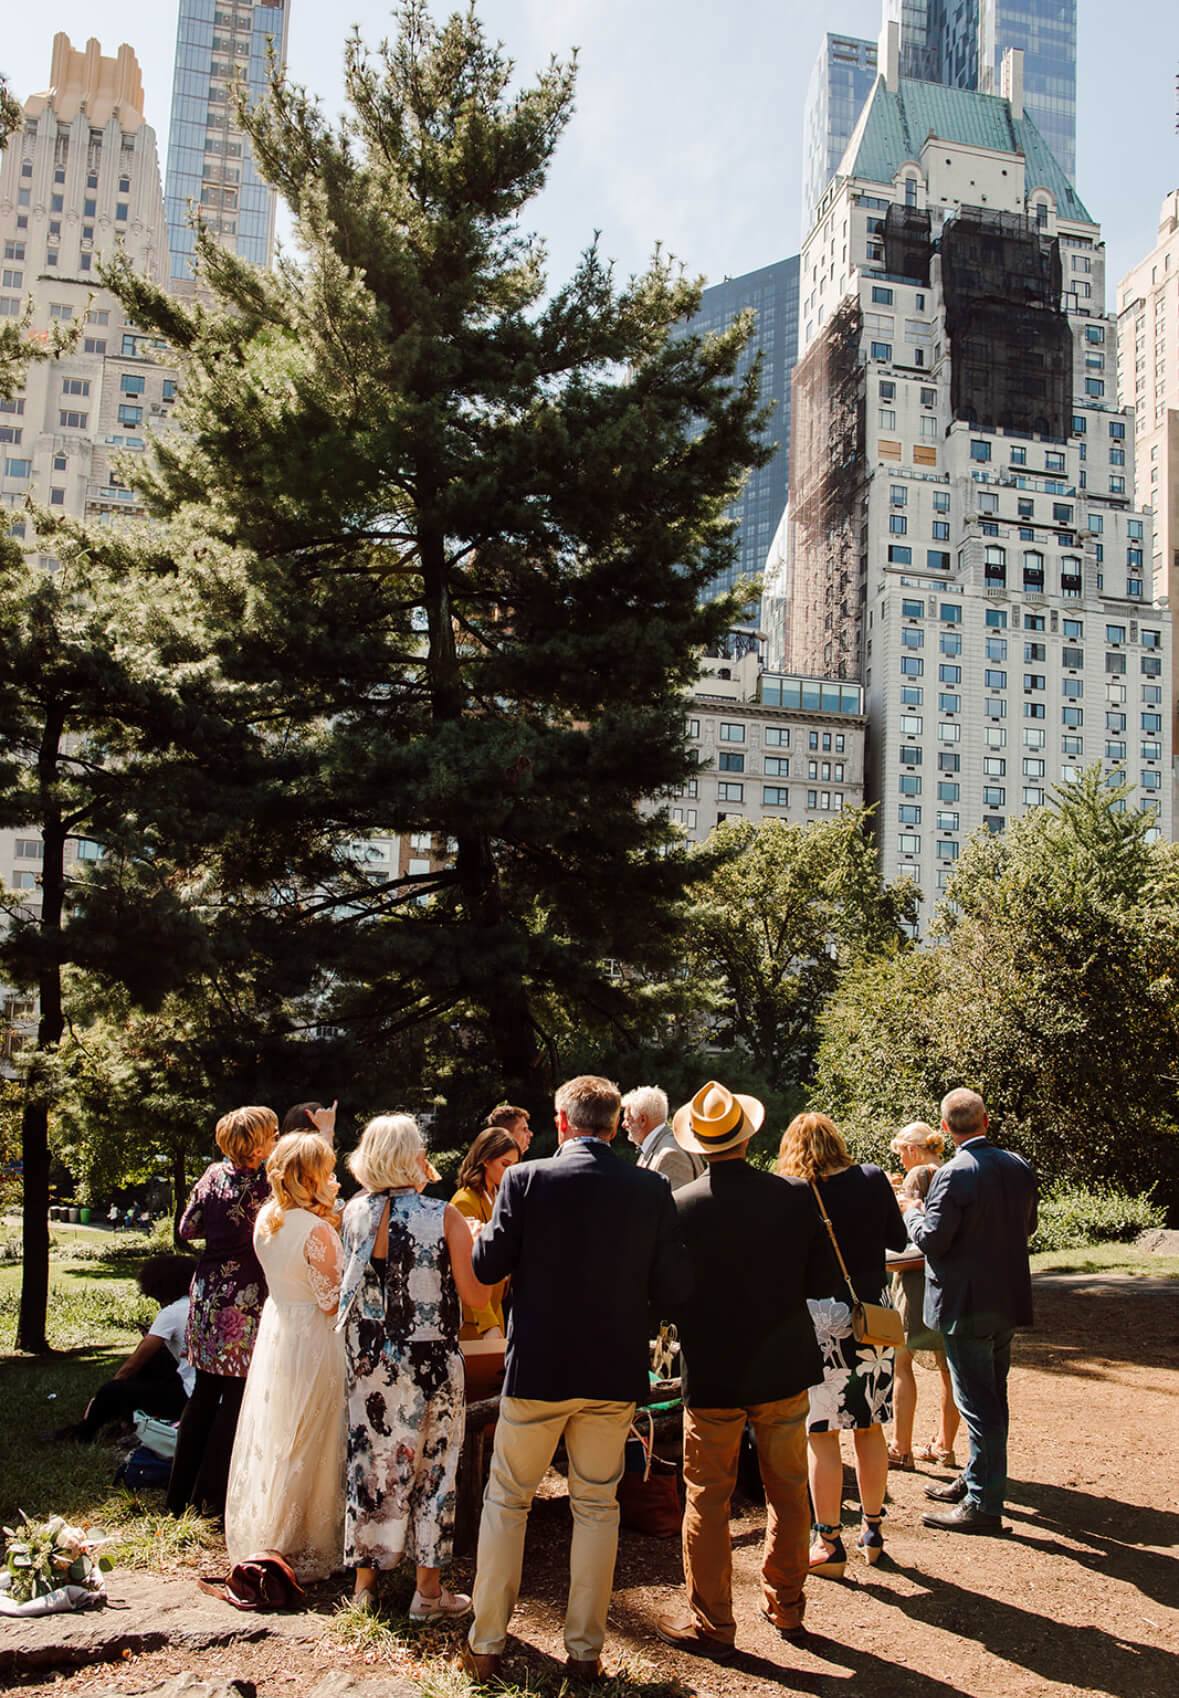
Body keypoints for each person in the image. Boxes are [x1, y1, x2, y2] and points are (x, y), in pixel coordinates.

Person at [463, 1075, 691, 1686]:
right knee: (597, 1506)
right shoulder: (648, 1188)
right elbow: (672, 1290)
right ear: (615, 1126)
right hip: (612, 1369)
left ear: (562, 1122)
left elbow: (487, 1266)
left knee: (508, 1500)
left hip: (539, 1365)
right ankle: (586, 1651)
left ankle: (486, 1643)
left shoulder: (525, 1179)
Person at [654, 1083, 832, 1660]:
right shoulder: (795, 1195)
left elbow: (668, 1294)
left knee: (707, 1496)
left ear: (698, 1144)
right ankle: (787, 1602)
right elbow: (821, 1279)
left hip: (715, 1370)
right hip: (782, 1363)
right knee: (788, 1487)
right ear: (748, 1135)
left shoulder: (681, 1206)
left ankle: (714, 1623)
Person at [338, 1114, 489, 1618]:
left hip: (371, 1361)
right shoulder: (442, 1215)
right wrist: (482, 1248)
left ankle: (364, 1589)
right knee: (434, 1468)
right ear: (412, 1156)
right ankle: (427, 1593)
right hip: (430, 1362)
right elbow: (474, 1297)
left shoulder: (353, 1214)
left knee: (373, 1464)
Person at [776, 1113, 908, 1577]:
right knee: (870, 1427)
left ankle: (828, 1539)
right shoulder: (872, 1177)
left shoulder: (793, 1192)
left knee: (823, 1434)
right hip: (872, 1318)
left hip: (819, 1322)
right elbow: (899, 1238)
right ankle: (873, 1531)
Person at [903, 1088, 1037, 1535]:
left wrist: (913, 1215)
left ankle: (983, 1505)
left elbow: (934, 1240)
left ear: (945, 1128)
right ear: (986, 1120)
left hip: (965, 1304)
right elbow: (1029, 1226)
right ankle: (977, 1480)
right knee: (992, 1397)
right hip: (1007, 1298)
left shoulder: (953, 1174)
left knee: (978, 1404)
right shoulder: (1017, 1165)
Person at [225, 1132, 346, 1579]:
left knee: (281, 1431)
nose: (333, 1179)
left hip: (278, 1331)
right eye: (328, 1171)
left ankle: (271, 1528)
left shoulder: (267, 1217)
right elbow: (331, 1300)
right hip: (314, 1336)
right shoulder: (317, 1230)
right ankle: (305, 1538)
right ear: (310, 1175)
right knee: (312, 1432)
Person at [166, 1106, 276, 1520]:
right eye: (273, 1133)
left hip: (207, 1295)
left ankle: (176, 1498)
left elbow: (187, 1228)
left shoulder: (213, 1175)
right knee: (233, 1400)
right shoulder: (268, 1184)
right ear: (259, 1143)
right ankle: (211, 1499)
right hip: (245, 1300)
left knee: (202, 1396)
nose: (278, 1139)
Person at [54, 1255, 196, 1443]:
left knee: (115, 1389)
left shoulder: (171, 1312)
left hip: (190, 1398)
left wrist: (103, 1395)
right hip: (209, 1391)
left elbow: (134, 1363)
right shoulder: (199, 1305)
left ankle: (84, 1432)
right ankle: (125, 1421)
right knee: (156, 1362)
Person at [886, 1124, 961, 1473]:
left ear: (914, 1150)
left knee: (901, 1363)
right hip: (947, 1279)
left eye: (901, 1151)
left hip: (915, 1280)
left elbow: (907, 1228)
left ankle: (901, 1447)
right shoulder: (948, 1171)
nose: (900, 1159)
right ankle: (945, 1446)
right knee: (950, 1371)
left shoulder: (917, 1174)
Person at [450, 1128, 519, 1337]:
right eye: (505, 1164)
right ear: (485, 1160)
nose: (510, 1172)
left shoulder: (497, 1195)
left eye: (514, 1166)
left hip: (496, 1307)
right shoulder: (464, 1201)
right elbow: (466, 1266)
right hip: (475, 1318)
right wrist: (488, 1324)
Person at [621, 1085, 704, 1192]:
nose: (624, 1125)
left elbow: (677, 1206)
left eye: (628, 1119)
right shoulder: (658, 1146)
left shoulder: (670, 1155)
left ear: (643, 1120)